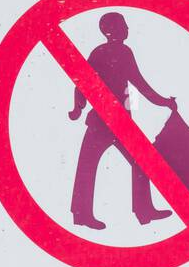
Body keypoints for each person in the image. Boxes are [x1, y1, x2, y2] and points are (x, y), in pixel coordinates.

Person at [67, 12, 177, 228]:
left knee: (98, 165)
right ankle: (140, 211)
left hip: (111, 120)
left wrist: (78, 108)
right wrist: (164, 102)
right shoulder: (120, 52)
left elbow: (82, 82)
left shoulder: (103, 52)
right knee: (131, 162)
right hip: (108, 120)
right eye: (124, 25)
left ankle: (140, 211)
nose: (127, 29)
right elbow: (139, 83)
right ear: (113, 30)